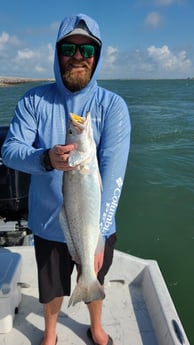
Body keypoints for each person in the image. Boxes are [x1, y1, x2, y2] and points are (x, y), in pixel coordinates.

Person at [2, 13, 131, 345]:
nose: (78, 56)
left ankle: (97, 327)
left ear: (97, 57)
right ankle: (49, 334)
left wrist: (101, 233)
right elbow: (10, 152)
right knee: (51, 289)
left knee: (94, 277)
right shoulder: (33, 101)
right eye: (69, 48)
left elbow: (114, 175)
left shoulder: (112, 107)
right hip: (47, 222)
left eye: (87, 50)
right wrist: (45, 158)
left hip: (95, 224)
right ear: (57, 52)